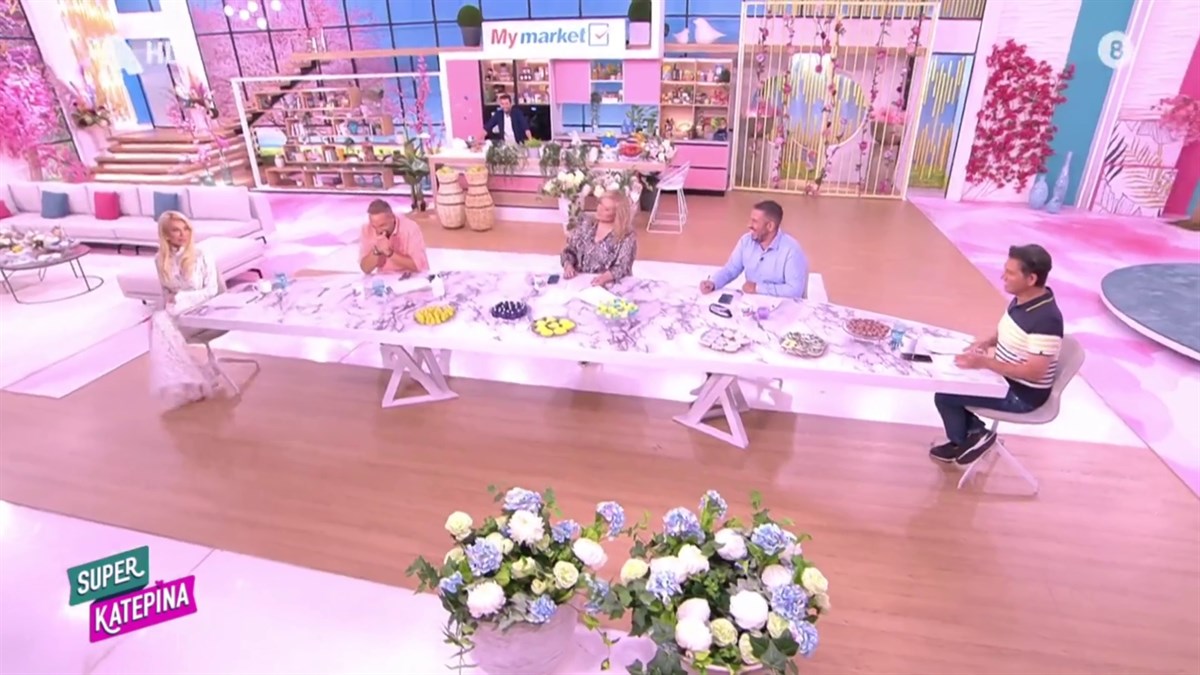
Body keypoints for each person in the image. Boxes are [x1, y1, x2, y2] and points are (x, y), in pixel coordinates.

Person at [930, 244, 1064, 467]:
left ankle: (973, 436)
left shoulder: (1046, 320)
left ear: (1031, 279)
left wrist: (984, 362)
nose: (1003, 277)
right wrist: (988, 342)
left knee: (946, 395)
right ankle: (969, 438)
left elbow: (1035, 373)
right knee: (949, 381)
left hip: (1022, 395)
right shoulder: (1022, 299)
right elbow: (1010, 330)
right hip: (1006, 379)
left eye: (1010, 273)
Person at [148, 211, 221, 408]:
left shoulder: (202, 255)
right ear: (166, 235)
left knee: (160, 323)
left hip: (203, 307)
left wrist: (180, 297)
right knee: (161, 321)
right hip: (177, 310)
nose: (183, 234)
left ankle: (193, 381)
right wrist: (171, 300)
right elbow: (166, 292)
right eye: (176, 230)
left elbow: (212, 291)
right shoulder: (160, 259)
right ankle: (196, 378)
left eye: (186, 228)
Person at [699, 200, 809, 299]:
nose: (749, 225)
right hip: (751, 304)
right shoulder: (746, 241)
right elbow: (730, 269)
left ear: (770, 226)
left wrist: (758, 288)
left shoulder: (791, 250)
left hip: (783, 308)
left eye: (754, 221)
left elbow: (795, 290)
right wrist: (713, 283)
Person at [561, 193, 638, 287]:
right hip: (579, 280)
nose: (599, 210)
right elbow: (569, 251)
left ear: (617, 214)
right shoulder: (585, 223)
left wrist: (604, 278)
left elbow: (623, 266)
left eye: (606, 209)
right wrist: (568, 265)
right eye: (600, 204)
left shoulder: (627, 236)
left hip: (611, 285)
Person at [358, 199, 430, 275]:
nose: (379, 231)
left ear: (392, 218)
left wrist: (389, 253)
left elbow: (418, 266)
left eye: (382, 225)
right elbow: (365, 269)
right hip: (385, 278)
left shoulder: (410, 228)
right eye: (374, 226)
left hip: (413, 277)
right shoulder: (367, 229)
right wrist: (376, 251)